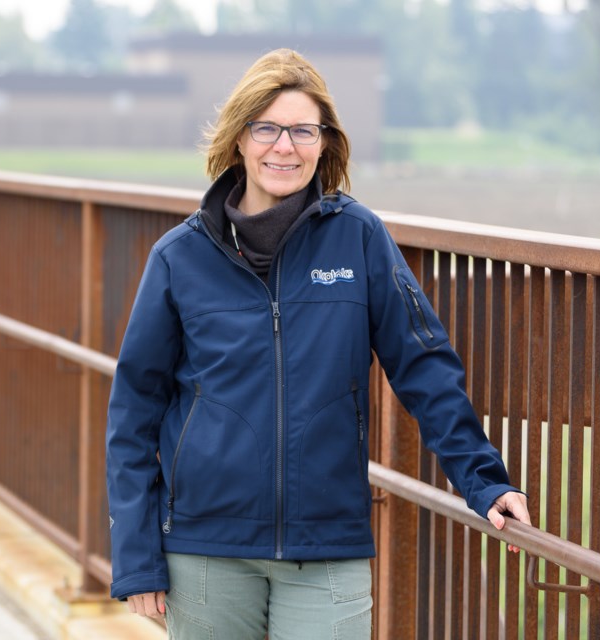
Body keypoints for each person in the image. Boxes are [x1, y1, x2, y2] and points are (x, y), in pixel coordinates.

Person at [104, 48, 530, 639]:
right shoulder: (179, 257)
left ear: (325, 142)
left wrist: (485, 481)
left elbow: (423, 366)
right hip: (205, 548)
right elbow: (134, 411)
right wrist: (136, 557)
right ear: (238, 140)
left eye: (304, 130)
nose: (286, 146)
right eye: (268, 128)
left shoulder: (357, 237)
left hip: (327, 543)